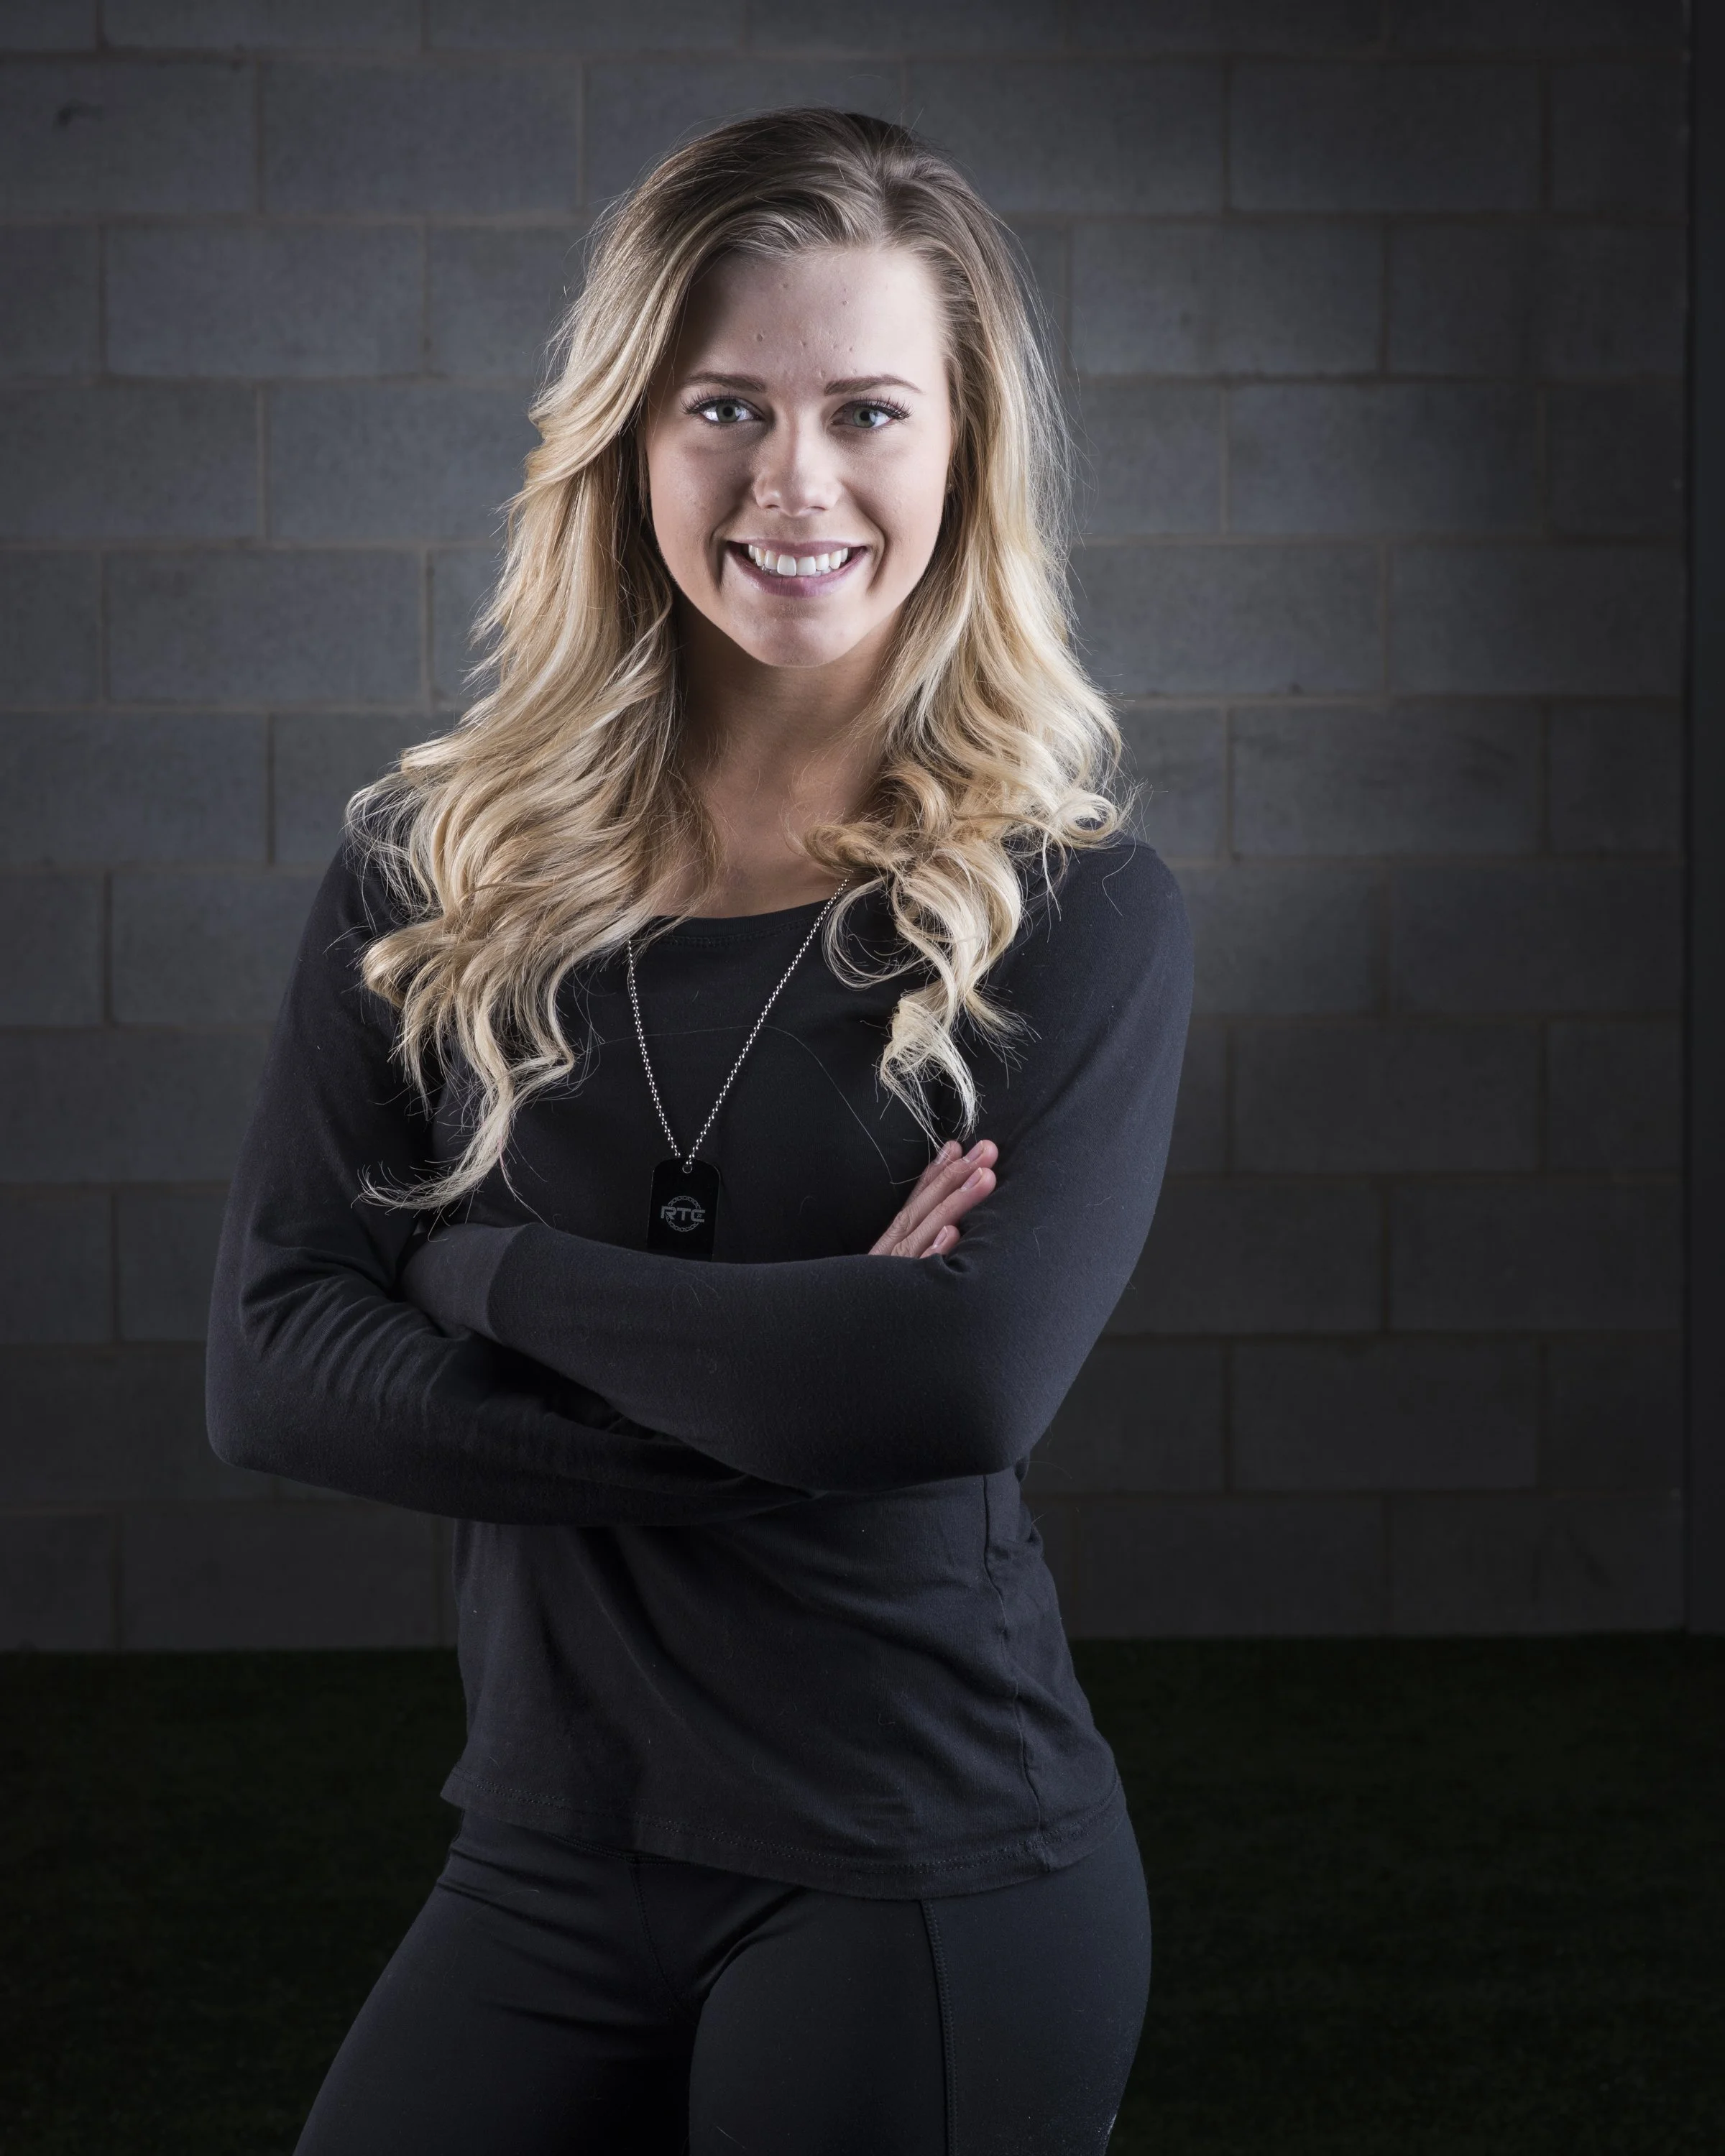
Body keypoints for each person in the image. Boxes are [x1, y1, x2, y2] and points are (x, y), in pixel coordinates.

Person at [206, 106, 1193, 2156]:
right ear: (624, 441)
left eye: (870, 410)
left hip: (923, 1864)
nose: (795, 482)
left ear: (964, 456)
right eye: (724, 403)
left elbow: (955, 1381)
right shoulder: (434, 866)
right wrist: (797, 1379)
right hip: (549, 1846)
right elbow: (274, 1370)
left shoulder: (1077, 907)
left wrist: (474, 1274)